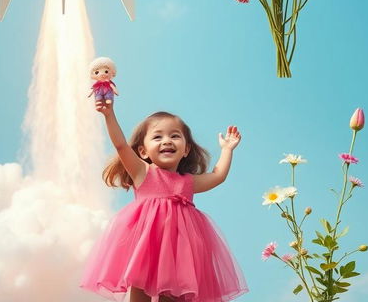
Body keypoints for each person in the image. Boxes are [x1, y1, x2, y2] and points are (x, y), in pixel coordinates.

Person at [80, 102, 248, 302]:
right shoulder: (143, 172)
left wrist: (227, 149)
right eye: (157, 136)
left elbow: (217, 176)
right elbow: (121, 145)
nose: (167, 141)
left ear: (186, 149)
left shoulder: (187, 182)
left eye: (175, 135)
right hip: (147, 247)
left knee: (174, 296)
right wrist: (109, 115)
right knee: (140, 290)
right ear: (143, 151)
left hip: (179, 254)